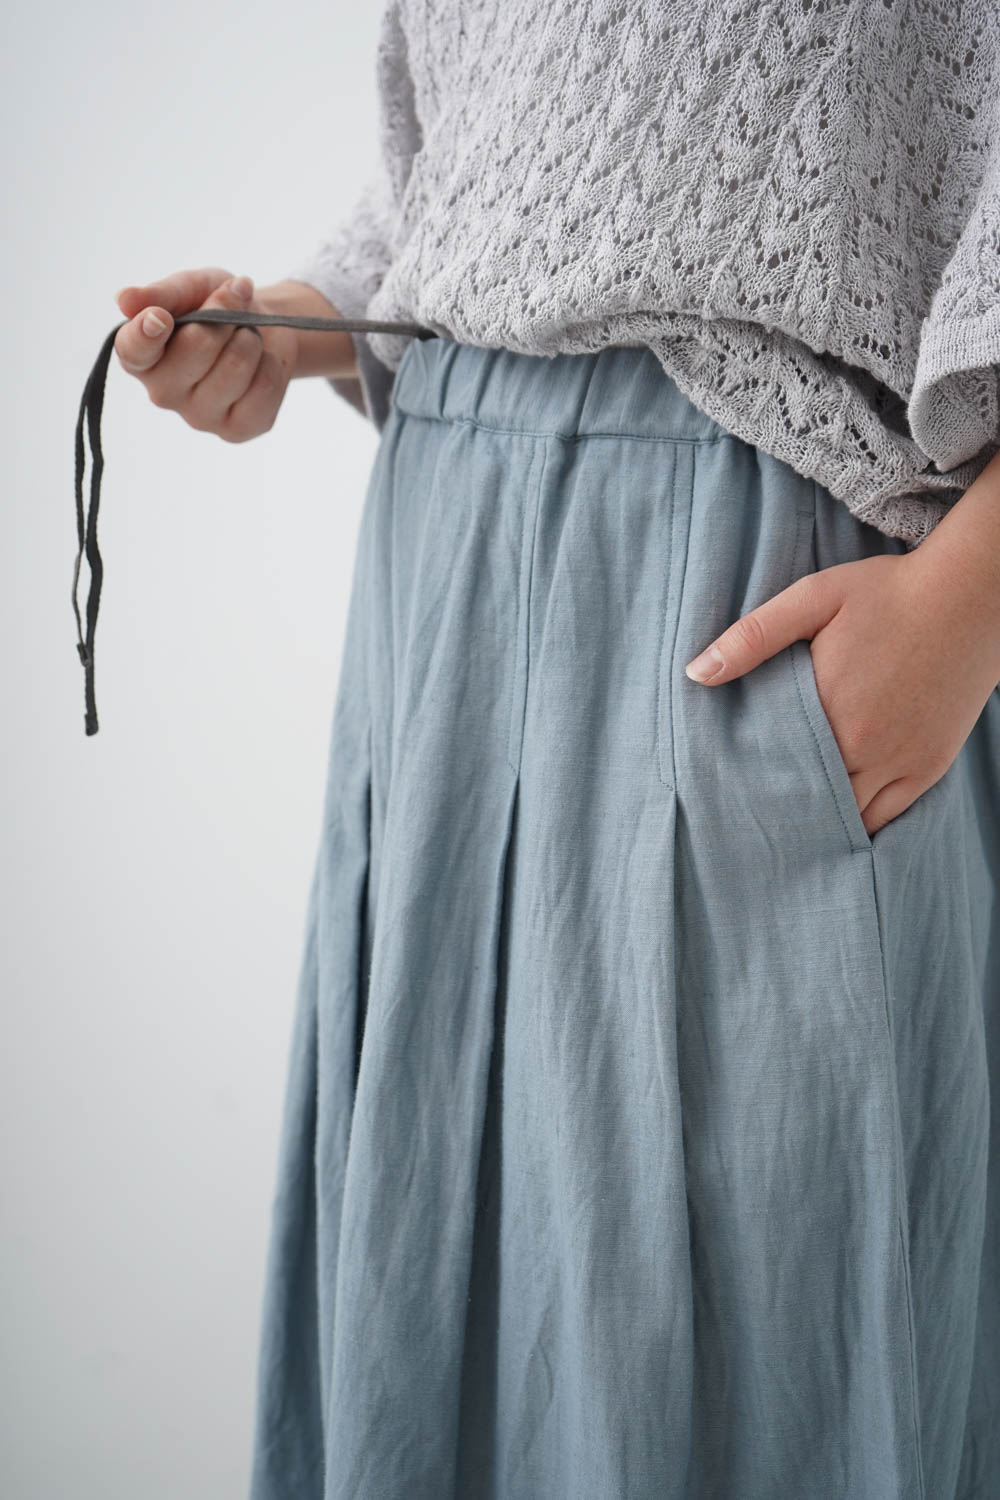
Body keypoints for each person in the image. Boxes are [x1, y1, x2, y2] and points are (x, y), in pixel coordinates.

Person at [110, 2, 1000, 1495]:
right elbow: (483, 150)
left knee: (778, 1354)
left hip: (746, 583)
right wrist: (297, 317)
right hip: (442, 594)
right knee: (434, 1288)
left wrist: (970, 598)